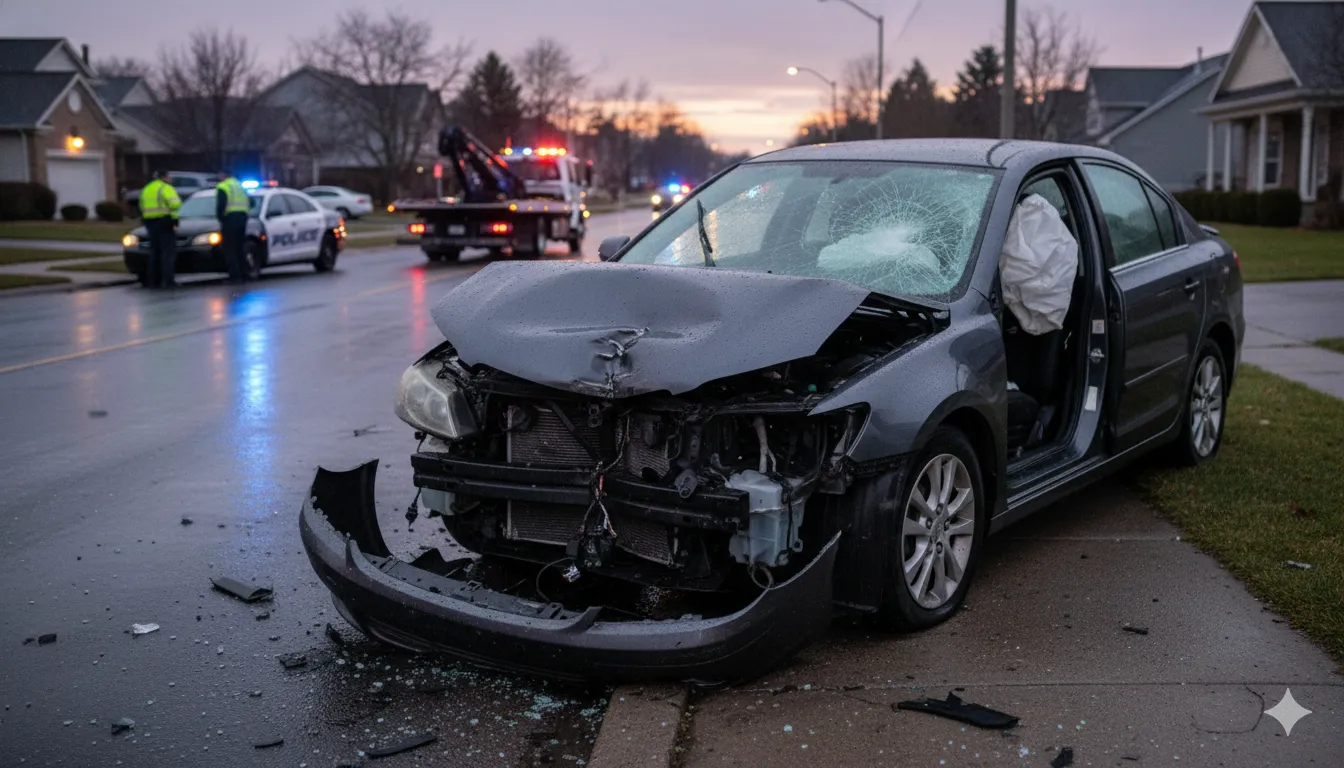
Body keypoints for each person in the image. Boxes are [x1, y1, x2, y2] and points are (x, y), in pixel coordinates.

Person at [139, 170, 181, 288]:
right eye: (169, 177)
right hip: (164, 222)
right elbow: (175, 204)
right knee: (167, 253)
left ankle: (154, 280)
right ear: (164, 177)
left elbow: (141, 205)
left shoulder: (147, 188)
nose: (170, 179)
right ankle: (168, 280)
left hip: (150, 223)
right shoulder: (166, 188)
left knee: (154, 252)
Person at [215, 169, 250, 283]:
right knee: (240, 247)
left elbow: (221, 204)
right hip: (242, 218)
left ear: (223, 175)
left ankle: (234, 276)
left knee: (230, 249)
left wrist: (220, 218)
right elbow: (251, 202)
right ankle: (244, 273)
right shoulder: (240, 185)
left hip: (229, 219)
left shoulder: (223, 186)